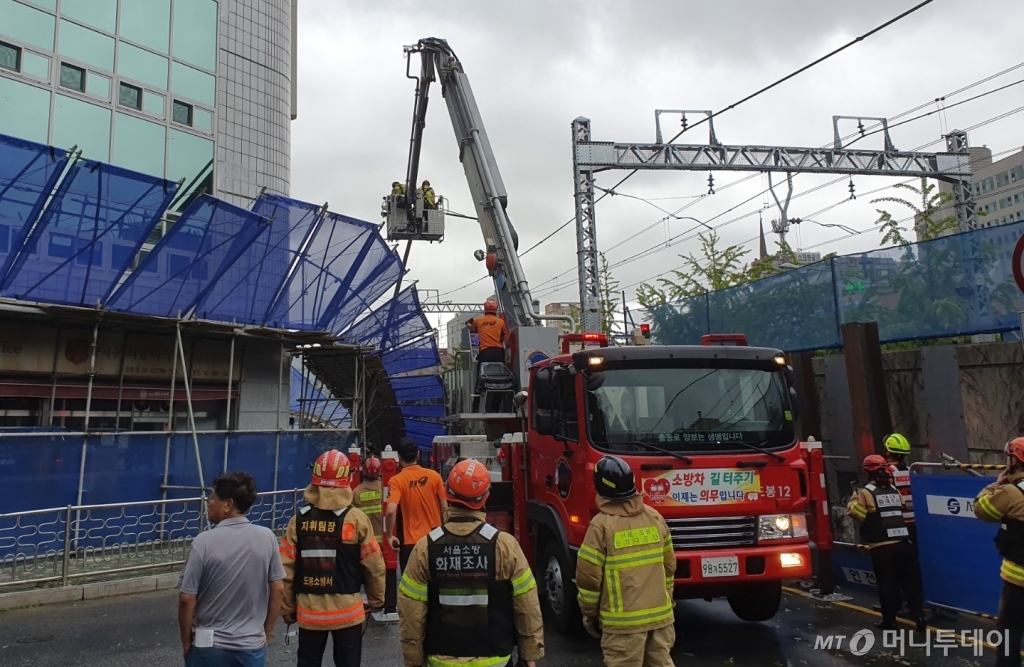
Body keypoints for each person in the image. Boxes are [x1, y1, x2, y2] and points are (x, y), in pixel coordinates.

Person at [397, 459, 544, 667]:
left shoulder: (425, 548)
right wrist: (530, 655)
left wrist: (413, 660)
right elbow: (526, 604)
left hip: (442, 661)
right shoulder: (505, 545)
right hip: (495, 661)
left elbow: (411, 611)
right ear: (486, 496)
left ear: (447, 492)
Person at [278, 450, 385, 667]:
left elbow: (285, 570)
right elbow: (374, 566)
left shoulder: (298, 521)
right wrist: (376, 600)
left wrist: (287, 607)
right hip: (349, 613)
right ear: (347, 479)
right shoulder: (356, 520)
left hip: (310, 613)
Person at [576, 456, 676, 667]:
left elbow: (588, 580)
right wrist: (667, 600)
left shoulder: (600, 526)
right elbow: (669, 568)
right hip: (661, 621)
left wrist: (589, 615)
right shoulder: (655, 517)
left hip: (623, 627)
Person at [177, 471, 285, 667]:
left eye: (212, 498)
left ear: (228, 505)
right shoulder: (267, 538)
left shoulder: (203, 542)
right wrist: (265, 635)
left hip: (208, 647)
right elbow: (278, 589)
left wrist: (186, 643)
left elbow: (187, 598)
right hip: (251, 647)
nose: (208, 502)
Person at [847, 454, 925, 631]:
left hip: (882, 546)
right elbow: (901, 508)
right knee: (910, 583)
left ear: (867, 472)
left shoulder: (865, 493)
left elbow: (858, 514)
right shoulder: (894, 490)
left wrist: (853, 499)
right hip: (903, 543)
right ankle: (919, 617)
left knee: (887, 584)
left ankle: (890, 620)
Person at [974, 437, 1024, 667]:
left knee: (1009, 630)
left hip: (1018, 580)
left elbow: (981, 509)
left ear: (1015, 460)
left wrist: (996, 484)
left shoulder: (1011, 492)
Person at [385, 438, 447, 572]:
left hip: (411, 544)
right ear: (418, 454)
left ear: (399, 457)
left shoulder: (396, 481)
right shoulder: (435, 476)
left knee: (411, 583)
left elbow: (390, 511)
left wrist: (389, 535)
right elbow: (444, 507)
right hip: (435, 539)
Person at [883, 433, 916, 542]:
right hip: (915, 521)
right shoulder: (912, 470)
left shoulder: (887, 472)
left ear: (888, 452)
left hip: (897, 523)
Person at [353, 455, 384, 545]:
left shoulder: (356, 492)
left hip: (366, 543)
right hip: (385, 542)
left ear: (363, 471)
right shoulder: (386, 490)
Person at [467, 300, 508, 364]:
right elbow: (502, 338)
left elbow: (473, 331)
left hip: (485, 352)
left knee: (481, 369)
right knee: (500, 369)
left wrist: (468, 324)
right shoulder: (501, 321)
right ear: (496, 309)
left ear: (485, 309)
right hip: (498, 352)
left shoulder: (477, 321)